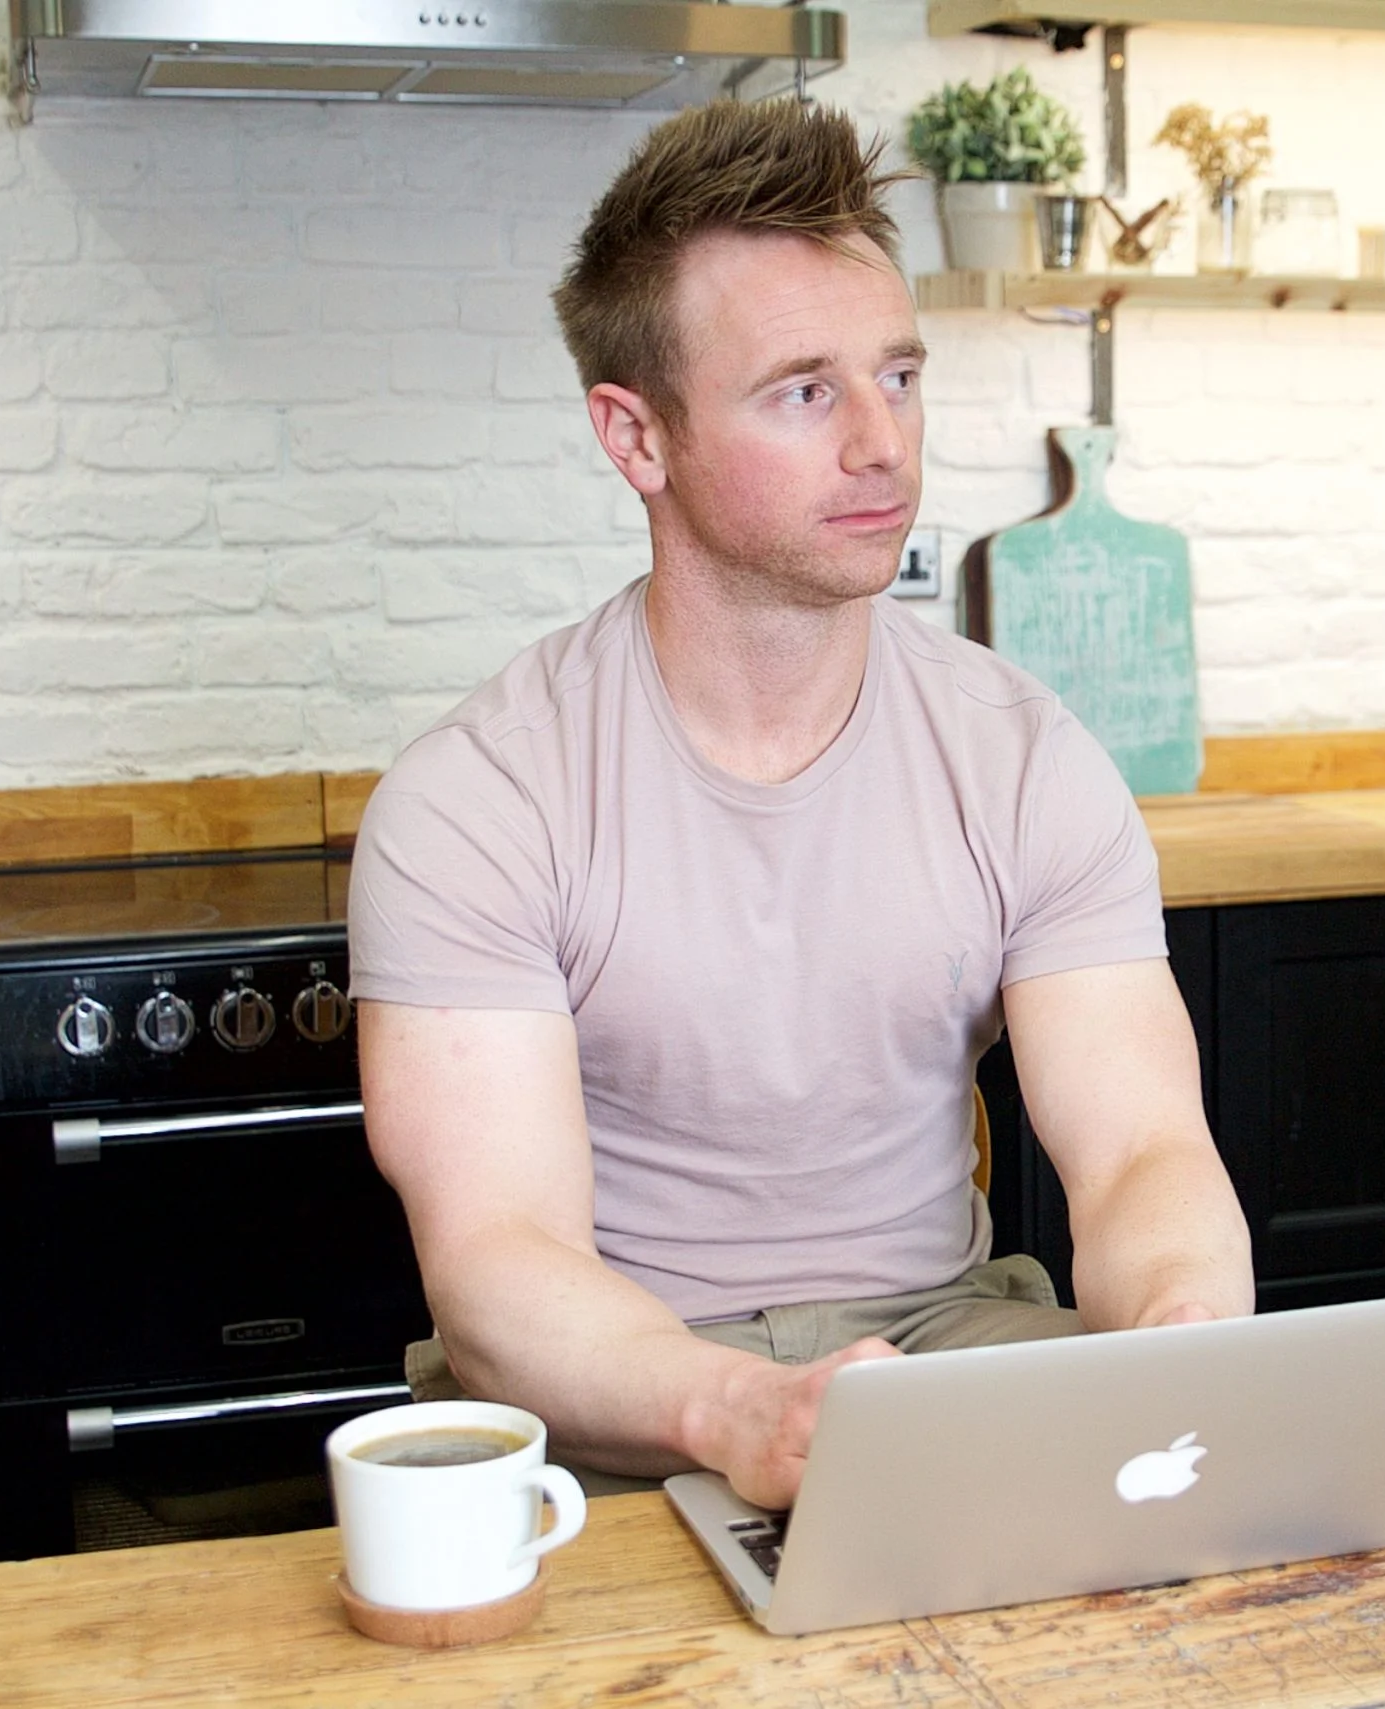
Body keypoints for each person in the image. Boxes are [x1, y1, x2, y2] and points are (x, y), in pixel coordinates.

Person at [346, 98, 1253, 1512]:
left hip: (952, 1345)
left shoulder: (1024, 755)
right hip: (623, 1397)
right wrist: (741, 1411)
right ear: (636, 438)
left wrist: (1182, 1332)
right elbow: (498, 1261)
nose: (884, 443)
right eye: (805, 391)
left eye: (898, 375)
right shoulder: (479, 798)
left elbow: (1143, 1148)